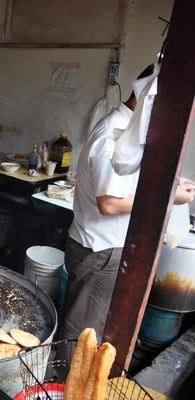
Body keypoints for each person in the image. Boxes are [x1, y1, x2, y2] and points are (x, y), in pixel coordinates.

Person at [59, 65, 195, 341]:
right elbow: (109, 203)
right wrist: (167, 197)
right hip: (100, 251)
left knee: (89, 325)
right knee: (84, 333)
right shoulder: (114, 135)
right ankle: (66, 383)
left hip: (105, 248)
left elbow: (128, 187)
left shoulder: (130, 135)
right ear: (146, 97)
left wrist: (170, 186)